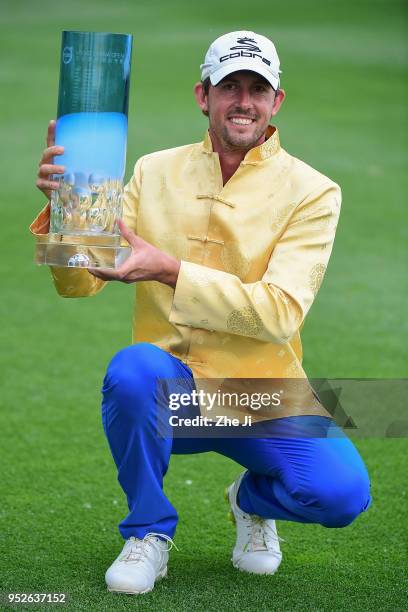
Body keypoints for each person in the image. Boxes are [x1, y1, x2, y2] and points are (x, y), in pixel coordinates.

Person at [32, 31, 372, 595]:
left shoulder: (314, 191)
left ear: (276, 101)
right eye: (229, 86)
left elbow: (279, 313)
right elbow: (78, 284)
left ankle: (250, 498)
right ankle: (148, 532)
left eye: (257, 89)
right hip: (174, 392)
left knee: (341, 497)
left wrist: (170, 270)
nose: (244, 101)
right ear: (203, 95)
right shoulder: (152, 170)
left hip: (263, 395)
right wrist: (65, 211)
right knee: (134, 370)